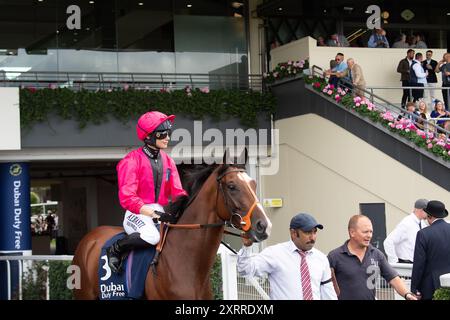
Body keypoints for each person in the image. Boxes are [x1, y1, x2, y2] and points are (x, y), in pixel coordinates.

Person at [106, 111, 188, 273]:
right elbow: (127, 198)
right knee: (153, 237)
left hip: (161, 212)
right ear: (148, 136)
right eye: (162, 134)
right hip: (136, 213)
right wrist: (154, 214)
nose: (167, 137)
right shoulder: (130, 161)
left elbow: (178, 192)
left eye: (168, 133)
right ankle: (115, 249)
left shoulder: (168, 160)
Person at [237, 213, 337, 300]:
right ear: (293, 233)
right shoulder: (275, 254)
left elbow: (328, 293)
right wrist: (247, 247)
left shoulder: (321, 258)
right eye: (307, 232)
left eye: (315, 232)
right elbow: (245, 269)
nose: (312, 237)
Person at [328, 215, 417, 300]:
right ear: (352, 232)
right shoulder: (334, 257)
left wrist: (407, 294)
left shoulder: (377, 255)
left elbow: (393, 278)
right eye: (365, 232)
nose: (369, 235)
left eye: (371, 232)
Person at [411, 200, 450, 300]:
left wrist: (414, 288)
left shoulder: (423, 234)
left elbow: (419, 264)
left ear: (429, 216)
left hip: (430, 285)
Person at [383, 199, 428, 264]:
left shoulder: (422, 223)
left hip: (416, 264)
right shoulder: (406, 224)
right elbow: (388, 242)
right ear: (421, 210)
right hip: (406, 264)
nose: (429, 214)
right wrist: (394, 262)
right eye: (428, 211)